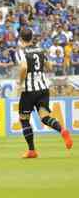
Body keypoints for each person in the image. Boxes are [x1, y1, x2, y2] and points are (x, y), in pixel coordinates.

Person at [15, 28, 73, 159]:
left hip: (29, 90)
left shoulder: (21, 52)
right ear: (31, 38)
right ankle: (62, 130)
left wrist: (20, 82)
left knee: (24, 119)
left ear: (21, 39)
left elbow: (24, 67)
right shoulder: (41, 50)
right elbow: (50, 66)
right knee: (45, 117)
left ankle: (32, 150)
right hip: (43, 88)